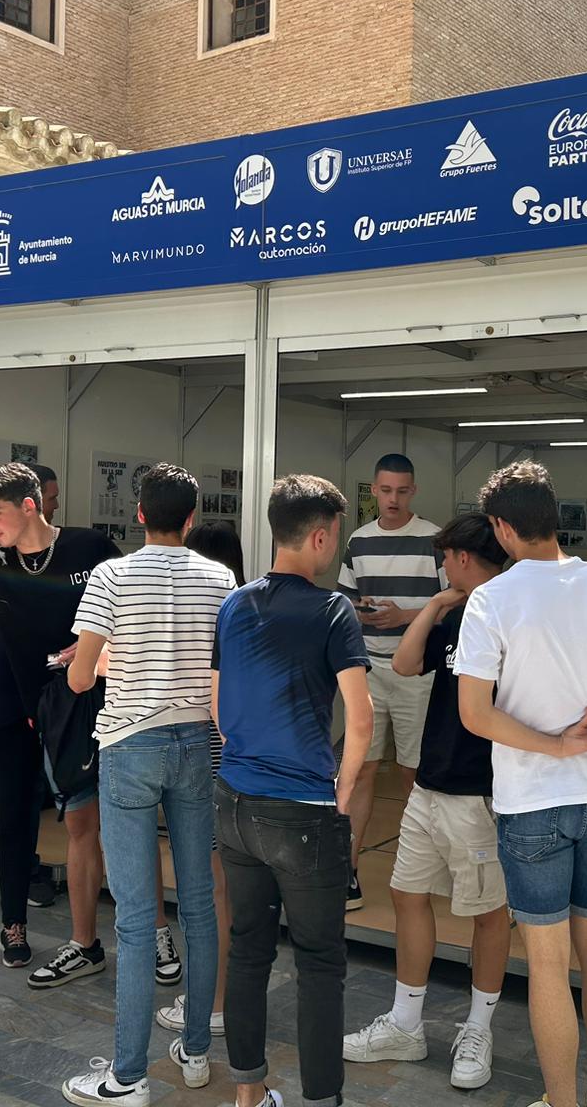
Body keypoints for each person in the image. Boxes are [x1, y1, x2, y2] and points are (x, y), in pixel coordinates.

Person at [456, 461, 587, 1107]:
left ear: (501, 527)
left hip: (531, 807)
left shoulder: (491, 600)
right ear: (556, 517)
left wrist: (553, 745)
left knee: (548, 964)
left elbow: (474, 713)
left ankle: (562, 1103)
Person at [60, 465, 235, 1106]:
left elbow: (81, 678)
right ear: (191, 518)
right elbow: (219, 665)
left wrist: (102, 662)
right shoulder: (220, 578)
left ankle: (127, 1076)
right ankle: (194, 1053)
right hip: (197, 743)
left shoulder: (111, 575)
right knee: (198, 906)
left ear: (138, 514)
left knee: (136, 920)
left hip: (129, 745)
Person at [212, 474, 374, 1107]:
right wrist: (343, 791)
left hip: (236, 805)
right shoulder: (333, 610)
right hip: (304, 811)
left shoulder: (235, 604)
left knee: (249, 952)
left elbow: (221, 711)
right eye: (333, 537)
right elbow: (359, 722)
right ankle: (320, 1101)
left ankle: (248, 1097)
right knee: (319, 963)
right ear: (318, 535)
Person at [342, 513, 509, 1091]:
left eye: (446, 559)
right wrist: (435, 608)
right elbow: (407, 663)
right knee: (407, 893)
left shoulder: (512, 615)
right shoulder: (456, 614)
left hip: (482, 790)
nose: (444, 568)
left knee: (489, 914)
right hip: (430, 785)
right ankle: (407, 1022)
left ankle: (478, 1027)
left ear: (463, 558)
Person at [0, 463, 119, 971]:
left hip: (78, 709)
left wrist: (92, 646)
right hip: (10, 711)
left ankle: (93, 933)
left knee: (84, 820)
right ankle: (13, 923)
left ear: (28, 506)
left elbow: (126, 609)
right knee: (12, 819)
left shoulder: (89, 548)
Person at [151, 520, 246, 1041]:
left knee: (213, 887)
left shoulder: (204, 609)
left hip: (206, 752)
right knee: (224, 883)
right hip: (237, 759)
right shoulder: (242, 607)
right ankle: (221, 994)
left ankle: (214, 1002)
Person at [337, 453, 445, 910]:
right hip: (368, 670)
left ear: (413, 491)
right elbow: (343, 603)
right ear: (374, 490)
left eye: (402, 491)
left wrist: (406, 616)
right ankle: (348, 871)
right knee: (359, 769)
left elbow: (455, 602)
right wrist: (361, 613)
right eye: (385, 490)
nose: (393, 499)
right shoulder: (359, 542)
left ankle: (424, 872)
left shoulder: (435, 539)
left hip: (418, 674)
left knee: (414, 774)